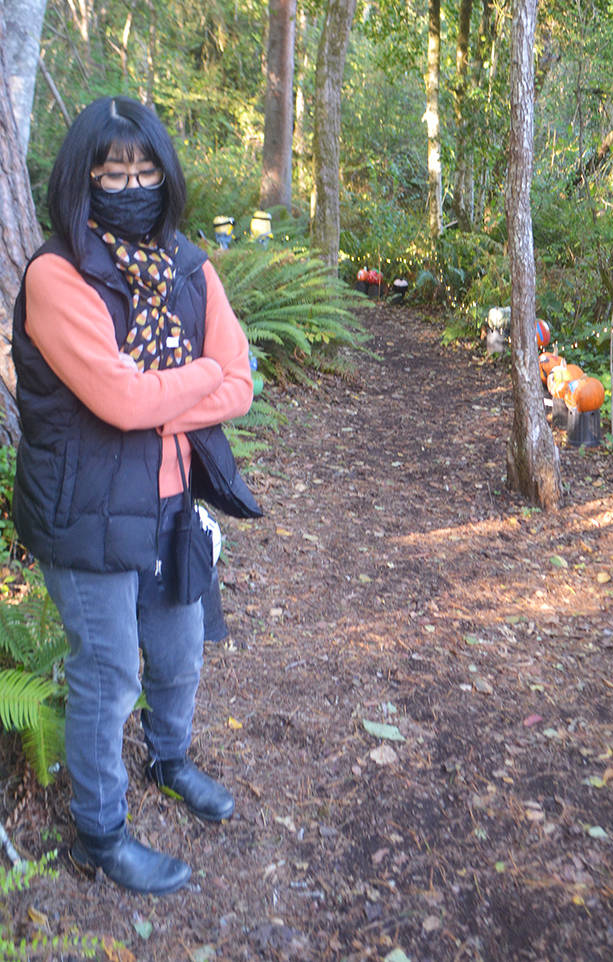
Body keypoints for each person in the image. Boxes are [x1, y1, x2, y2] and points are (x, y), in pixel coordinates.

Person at [11, 96, 260, 895]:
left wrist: (163, 391)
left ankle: (170, 759)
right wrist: (195, 383)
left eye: (144, 168)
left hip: (169, 499)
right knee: (110, 672)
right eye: (111, 170)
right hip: (83, 510)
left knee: (181, 654)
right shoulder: (58, 276)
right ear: (82, 177)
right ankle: (99, 833)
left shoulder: (191, 267)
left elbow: (242, 384)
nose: (130, 183)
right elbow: (120, 403)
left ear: (166, 173)